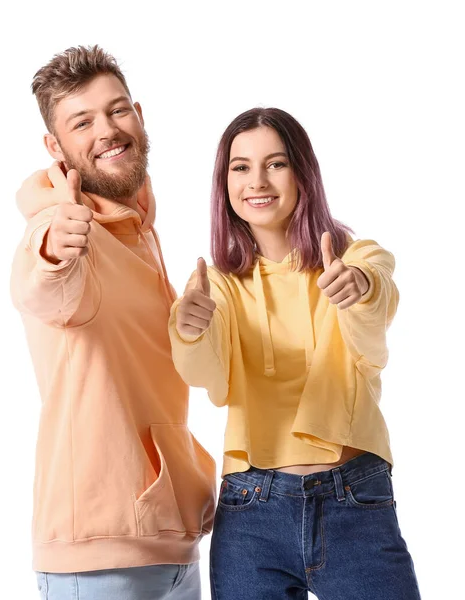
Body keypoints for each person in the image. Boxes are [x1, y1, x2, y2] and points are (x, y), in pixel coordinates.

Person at [169, 108, 421, 600]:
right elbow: (209, 378)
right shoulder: (217, 285)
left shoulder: (354, 257)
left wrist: (359, 286)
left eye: (275, 163)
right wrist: (189, 328)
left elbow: (377, 306)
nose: (256, 181)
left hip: (355, 500)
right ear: (225, 183)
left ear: (302, 171)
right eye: (240, 167)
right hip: (251, 513)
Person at [10, 45, 215, 600]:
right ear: (56, 148)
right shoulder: (62, 225)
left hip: (170, 546)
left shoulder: (139, 230)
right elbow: (40, 285)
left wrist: (191, 328)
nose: (108, 130)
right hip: (99, 561)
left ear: (139, 115)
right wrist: (57, 248)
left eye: (117, 110)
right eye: (82, 122)